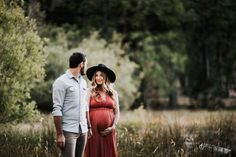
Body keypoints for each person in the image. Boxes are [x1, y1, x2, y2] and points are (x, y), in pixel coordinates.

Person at [52, 52, 91, 157]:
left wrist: (89, 126)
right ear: (81, 64)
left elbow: (85, 105)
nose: (86, 67)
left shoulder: (83, 83)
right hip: (68, 131)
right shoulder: (61, 82)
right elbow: (57, 109)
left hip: (83, 130)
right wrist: (60, 134)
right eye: (86, 64)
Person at [85, 64, 120, 157]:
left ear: (106, 77)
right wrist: (88, 127)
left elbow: (117, 113)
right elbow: (86, 110)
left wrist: (113, 127)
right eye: (96, 75)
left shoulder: (113, 93)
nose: (98, 78)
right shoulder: (89, 91)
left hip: (109, 131)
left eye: (101, 75)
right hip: (93, 130)